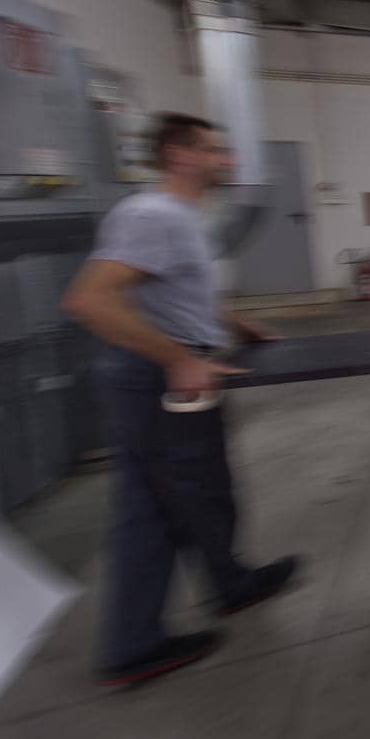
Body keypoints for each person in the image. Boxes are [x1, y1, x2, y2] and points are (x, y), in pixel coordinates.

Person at [63, 113, 299, 686]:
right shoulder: (153, 215)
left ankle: (230, 584)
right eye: (216, 151)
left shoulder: (184, 218)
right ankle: (134, 645)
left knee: (200, 488)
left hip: (173, 368)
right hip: (157, 379)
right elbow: (89, 300)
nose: (229, 161)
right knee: (159, 506)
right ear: (179, 154)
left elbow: (176, 290)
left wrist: (237, 325)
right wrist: (178, 358)